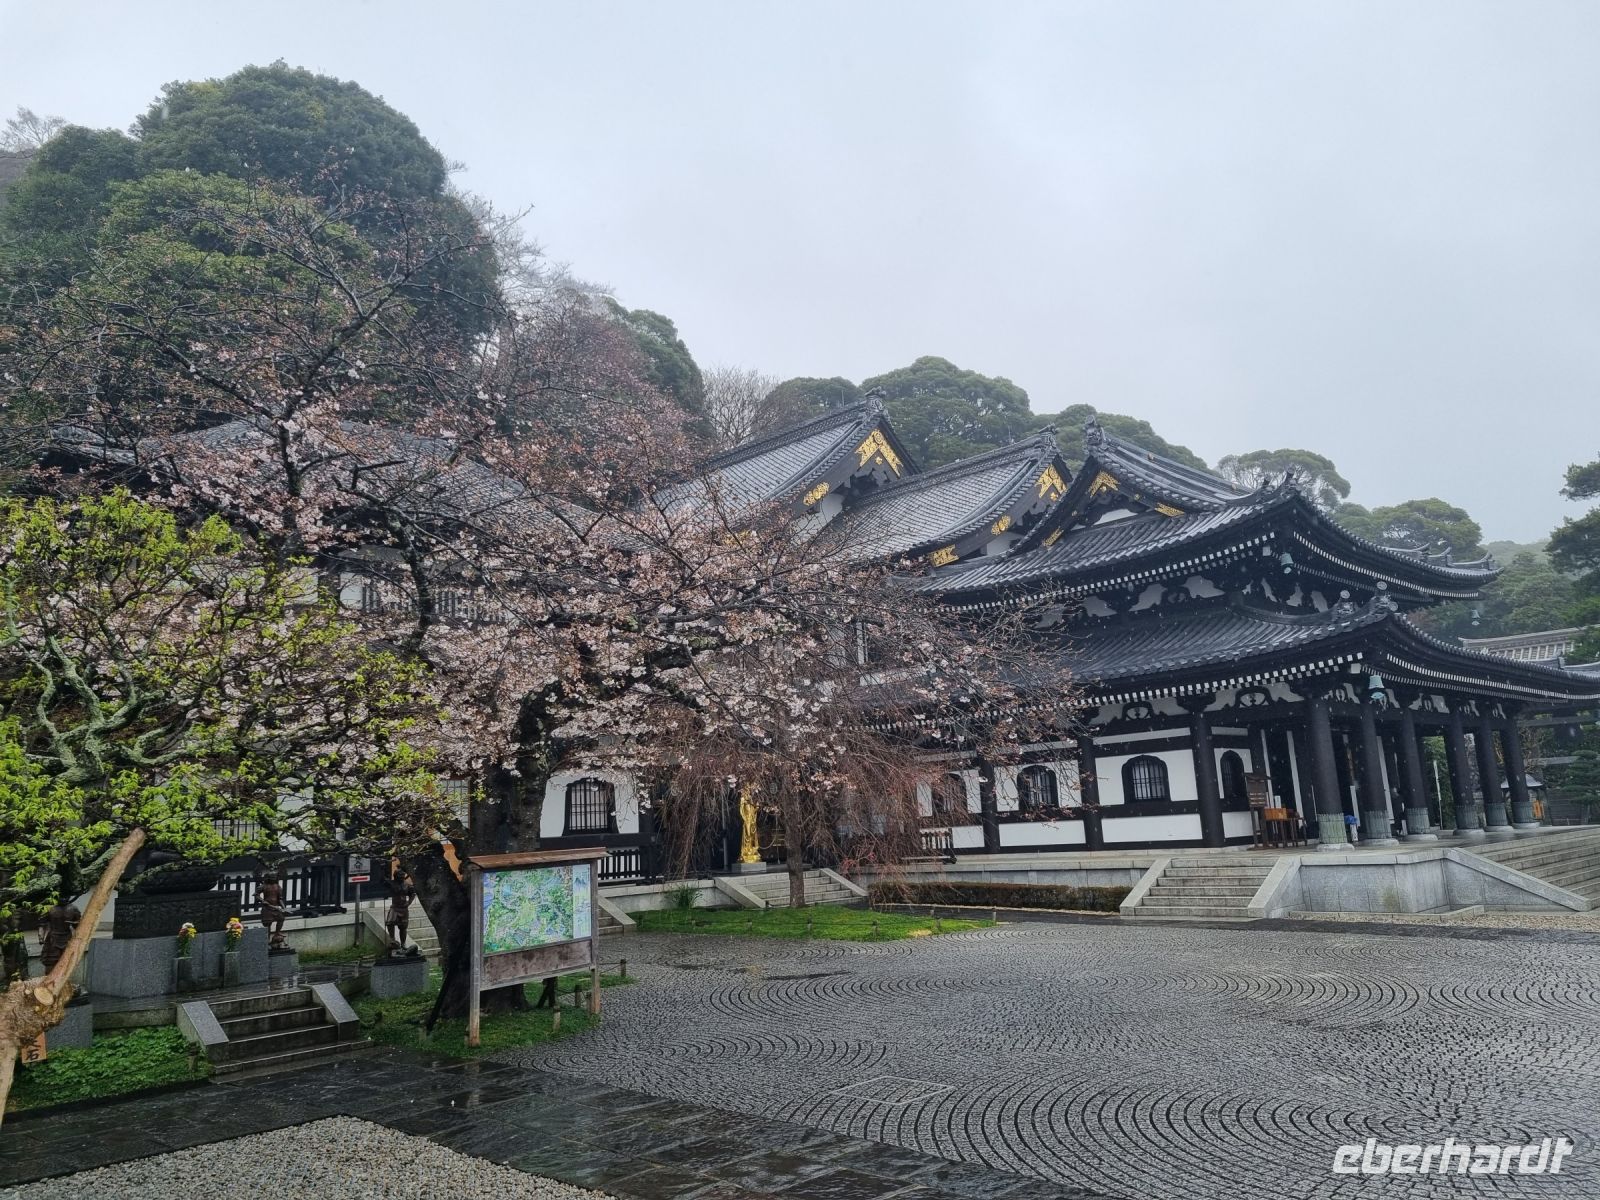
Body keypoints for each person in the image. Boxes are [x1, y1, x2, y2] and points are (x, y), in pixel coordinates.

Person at [39, 902, 81, 974]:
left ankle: (64, 982)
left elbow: (78, 925)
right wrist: (41, 937)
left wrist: (75, 923)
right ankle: (49, 981)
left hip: (67, 938)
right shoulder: (49, 908)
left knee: (67, 961)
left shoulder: (73, 909)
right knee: (50, 961)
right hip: (52, 938)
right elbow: (42, 924)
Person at [385, 870, 416, 955]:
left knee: (403, 927)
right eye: (399, 874)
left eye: (403, 874)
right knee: (390, 922)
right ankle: (392, 939)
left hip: (403, 908)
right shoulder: (392, 883)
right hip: (395, 907)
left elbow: (413, 894)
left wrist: (409, 902)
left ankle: (403, 944)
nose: (402, 876)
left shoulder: (407, 885)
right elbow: (383, 880)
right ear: (396, 876)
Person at [259, 873, 288, 950]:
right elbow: (256, 895)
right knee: (268, 924)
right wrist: (262, 900)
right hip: (267, 908)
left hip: (275, 908)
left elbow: (280, 899)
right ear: (268, 878)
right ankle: (267, 941)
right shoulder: (264, 886)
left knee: (281, 918)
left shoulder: (278, 887)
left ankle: (277, 933)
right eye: (271, 877)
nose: (273, 879)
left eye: (274, 877)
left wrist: (283, 907)